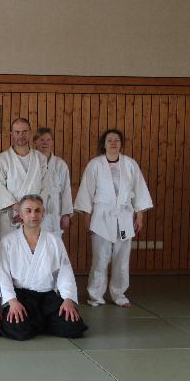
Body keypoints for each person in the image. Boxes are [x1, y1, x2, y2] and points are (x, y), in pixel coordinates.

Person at [74, 129, 153, 307]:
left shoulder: (130, 164)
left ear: (121, 143)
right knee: (100, 259)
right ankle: (96, 295)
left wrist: (139, 215)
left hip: (125, 216)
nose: (113, 143)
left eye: (116, 140)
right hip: (101, 216)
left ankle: (119, 295)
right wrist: (87, 215)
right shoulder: (95, 164)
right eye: (109, 140)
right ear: (104, 144)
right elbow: (87, 191)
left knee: (122, 260)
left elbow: (139, 190)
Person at [0, 195, 87, 340]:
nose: (33, 215)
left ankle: (39, 322)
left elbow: (65, 273)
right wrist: (12, 302)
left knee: (74, 327)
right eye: (28, 211)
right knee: (18, 331)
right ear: (20, 214)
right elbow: (3, 275)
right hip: (21, 297)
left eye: (37, 210)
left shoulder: (55, 241)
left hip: (47, 297)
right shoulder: (8, 241)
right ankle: (42, 323)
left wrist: (68, 299)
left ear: (43, 214)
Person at [0, 118, 46, 248]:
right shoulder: (3, 158)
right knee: (7, 250)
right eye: (17, 132)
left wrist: (29, 210)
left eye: (24, 132)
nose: (21, 136)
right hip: (10, 214)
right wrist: (19, 208)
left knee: (32, 250)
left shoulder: (40, 158)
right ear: (12, 134)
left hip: (33, 214)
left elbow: (45, 187)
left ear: (30, 132)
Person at [33, 127, 73, 234]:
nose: (45, 143)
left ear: (52, 142)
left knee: (53, 241)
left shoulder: (60, 164)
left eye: (48, 140)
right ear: (35, 142)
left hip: (54, 211)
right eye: (41, 140)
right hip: (34, 210)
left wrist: (66, 214)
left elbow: (66, 190)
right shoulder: (31, 162)